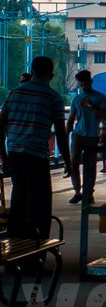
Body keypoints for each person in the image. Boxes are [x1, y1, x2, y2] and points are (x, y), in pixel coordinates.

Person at [0, 56, 69, 242]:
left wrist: (4, 158)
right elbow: (61, 135)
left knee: (18, 202)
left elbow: (0, 125)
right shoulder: (53, 98)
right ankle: (35, 256)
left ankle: (14, 251)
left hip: (15, 154)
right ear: (52, 75)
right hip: (37, 156)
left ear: (32, 71)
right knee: (40, 206)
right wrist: (69, 162)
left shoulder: (14, 93)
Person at [65, 69, 106, 205]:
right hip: (78, 134)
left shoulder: (100, 98)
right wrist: (66, 134)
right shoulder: (76, 99)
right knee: (73, 163)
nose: (84, 87)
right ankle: (78, 192)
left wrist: (90, 106)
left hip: (92, 135)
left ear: (91, 82)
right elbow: (71, 119)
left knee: (90, 166)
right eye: (81, 85)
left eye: (86, 84)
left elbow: (104, 115)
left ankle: (88, 193)